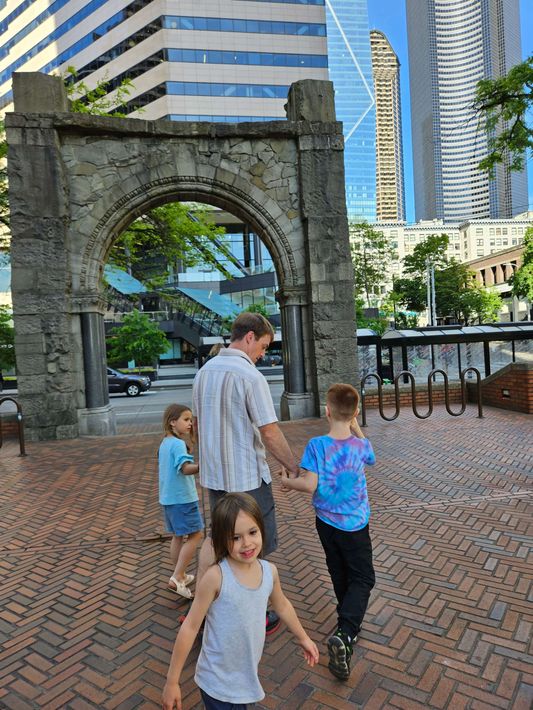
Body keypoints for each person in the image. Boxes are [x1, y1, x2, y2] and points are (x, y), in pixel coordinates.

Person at [192, 311, 300, 635]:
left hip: (214, 479)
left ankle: (213, 602)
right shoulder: (249, 376)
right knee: (253, 542)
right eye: (264, 346)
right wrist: (293, 466)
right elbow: (269, 431)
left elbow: (196, 427)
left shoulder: (204, 373)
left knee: (224, 539)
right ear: (250, 337)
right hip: (247, 479)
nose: (263, 354)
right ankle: (256, 611)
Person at [162, 493, 319, 710]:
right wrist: (172, 681)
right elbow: (190, 626)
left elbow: (282, 605)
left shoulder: (269, 572)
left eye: (252, 532)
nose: (246, 543)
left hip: (246, 678)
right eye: (235, 537)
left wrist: (303, 637)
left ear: (261, 529)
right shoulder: (216, 577)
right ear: (221, 540)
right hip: (215, 680)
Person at [280, 383, 376, 681]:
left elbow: (309, 484)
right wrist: (356, 427)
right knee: (363, 577)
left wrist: (286, 482)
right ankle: (346, 634)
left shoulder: (317, 445)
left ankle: (346, 623)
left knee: (338, 571)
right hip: (355, 524)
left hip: (326, 523)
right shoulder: (361, 446)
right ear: (355, 413)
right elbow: (372, 456)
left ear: (327, 411)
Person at [159, 404, 204, 599]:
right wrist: (203, 466)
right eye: (186, 420)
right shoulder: (177, 444)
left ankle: (181, 575)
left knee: (178, 536)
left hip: (168, 499)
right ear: (172, 422)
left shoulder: (165, 443)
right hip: (183, 499)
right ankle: (177, 577)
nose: (190, 424)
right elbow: (185, 468)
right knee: (196, 535)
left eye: (190, 420)